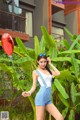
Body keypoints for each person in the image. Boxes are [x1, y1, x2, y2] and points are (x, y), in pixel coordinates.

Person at [22, 53, 64, 120]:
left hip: (48, 99)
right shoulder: (35, 72)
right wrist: (29, 93)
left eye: (45, 61)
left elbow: (58, 73)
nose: (43, 63)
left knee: (60, 118)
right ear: (38, 62)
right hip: (40, 98)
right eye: (41, 62)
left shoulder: (49, 70)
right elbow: (34, 86)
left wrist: (50, 64)